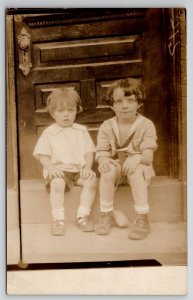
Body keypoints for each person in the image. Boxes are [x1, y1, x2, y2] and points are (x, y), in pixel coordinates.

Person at [95, 78, 157, 240]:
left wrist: (138, 157)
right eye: (119, 101)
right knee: (107, 170)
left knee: (136, 171)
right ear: (112, 105)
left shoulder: (146, 125)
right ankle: (106, 214)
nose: (124, 105)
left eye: (130, 100)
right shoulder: (107, 125)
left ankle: (142, 218)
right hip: (117, 169)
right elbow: (101, 150)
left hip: (139, 168)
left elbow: (148, 157)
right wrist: (103, 160)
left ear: (139, 104)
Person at [33, 87, 97, 236]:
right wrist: (50, 168)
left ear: (77, 110)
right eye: (61, 111)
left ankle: (82, 216)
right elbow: (42, 155)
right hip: (59, 170)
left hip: (78, 171)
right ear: (53, 113)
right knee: (57, 183)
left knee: (92, 181)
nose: (66, 115)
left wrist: (88, 167)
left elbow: (89, 152)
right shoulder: (50, 133)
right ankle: (58, 220)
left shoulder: (81, 131)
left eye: (71, 110)